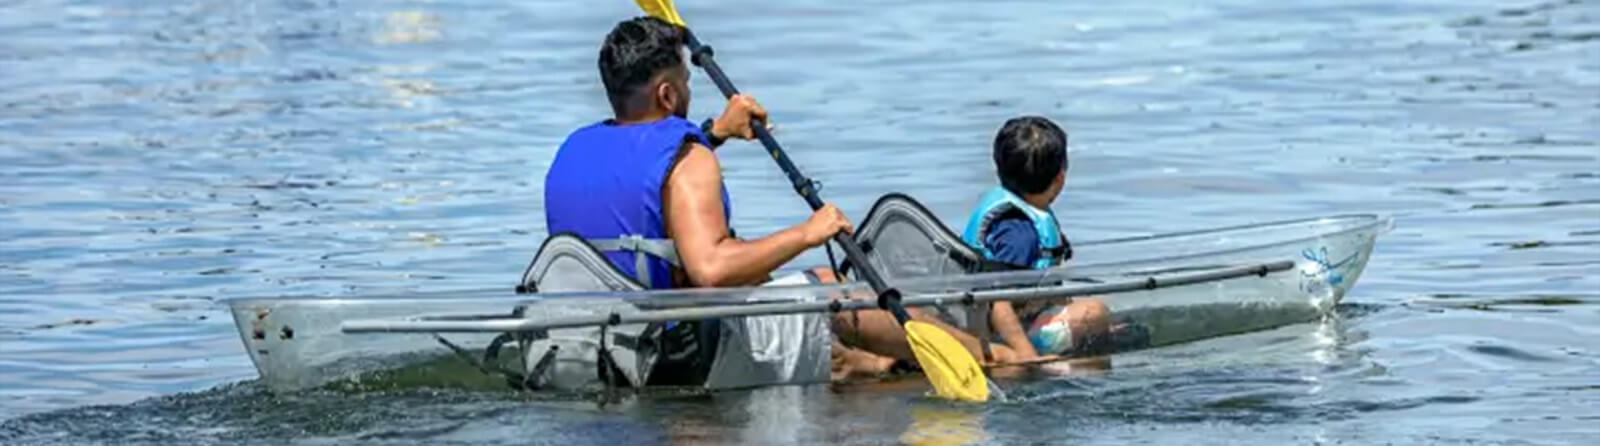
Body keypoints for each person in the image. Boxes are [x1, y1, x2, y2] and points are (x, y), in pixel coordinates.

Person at [543, 16, 1000, 388]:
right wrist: (808, 233)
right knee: (828, 288)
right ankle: (995, 357)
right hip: (677, 357)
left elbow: (646, 185)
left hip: (588, 350)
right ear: (667, 93)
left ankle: (870, 367)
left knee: (800, 321)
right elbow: (712, 268)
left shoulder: (572, 152)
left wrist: (716, 132)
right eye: (685, 80)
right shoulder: (688, 157)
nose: (687, 88)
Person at [958, 116, 1115, 361]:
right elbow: (997, 300)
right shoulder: (1017, 232)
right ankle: (1061, 368)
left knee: (1107, 323)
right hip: (1001, 338)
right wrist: (1026, 356)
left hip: (1014, 322)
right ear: (1060, 178)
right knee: (1094, 313)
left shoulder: (1020, 216)